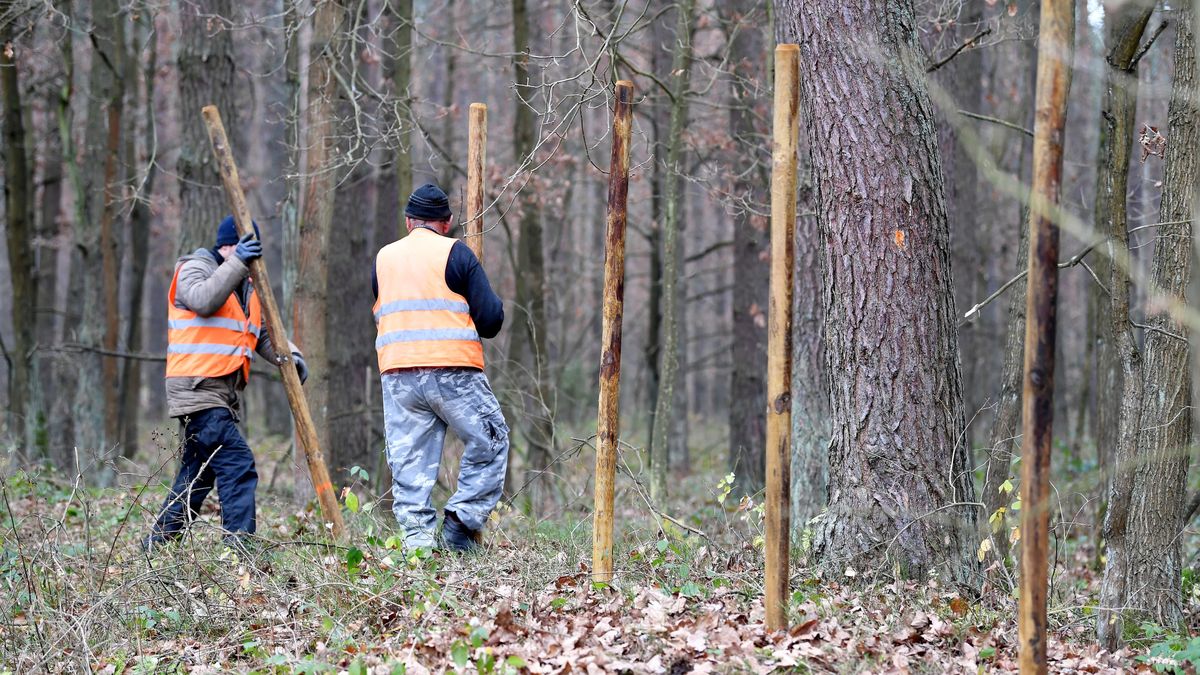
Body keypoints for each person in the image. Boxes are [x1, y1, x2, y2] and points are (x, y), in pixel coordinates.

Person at [145, 215, 307, 551]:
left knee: (197, 476)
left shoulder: (244, 286)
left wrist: (290, 357)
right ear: (231, 246)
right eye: (250, 251)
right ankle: (239, 551)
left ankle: (157, 545)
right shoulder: (193, 268)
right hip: (196, 389)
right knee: (238, 464)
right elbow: (203, 300)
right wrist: (238, 263)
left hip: (219, 394)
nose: (254, 262)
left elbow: (261, 334)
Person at [373, 183, 508, 553]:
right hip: (453, 371)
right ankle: (460, 524)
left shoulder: (383, 258)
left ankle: (416, 548)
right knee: (491, 440)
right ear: (446, 223)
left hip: (398, 374)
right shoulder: (457, 253)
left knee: (409, 463)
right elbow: (491, 320)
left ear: (408, 222)